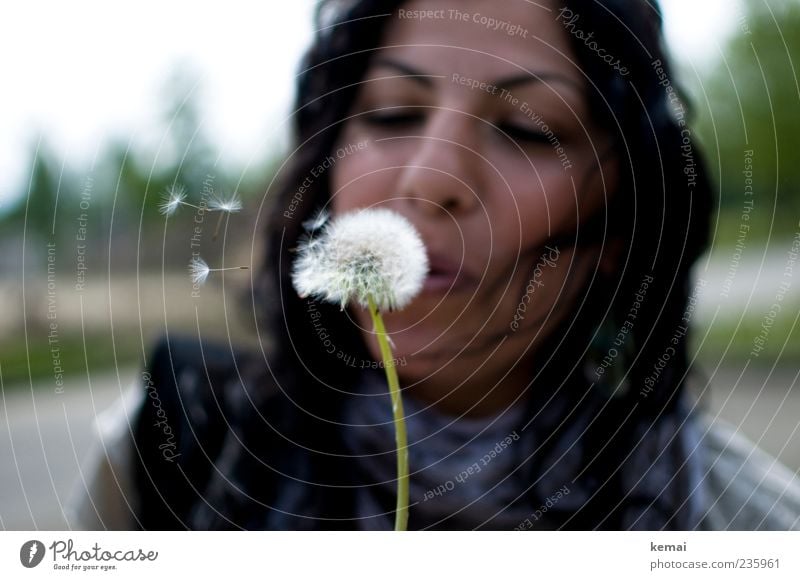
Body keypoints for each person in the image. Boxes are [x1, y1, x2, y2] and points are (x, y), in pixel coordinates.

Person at [70, 0, 800, 530]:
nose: (432, 178)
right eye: (392, 114)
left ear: (617, 224)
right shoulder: (160, 459)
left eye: (526, 130)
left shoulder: (748, 530)